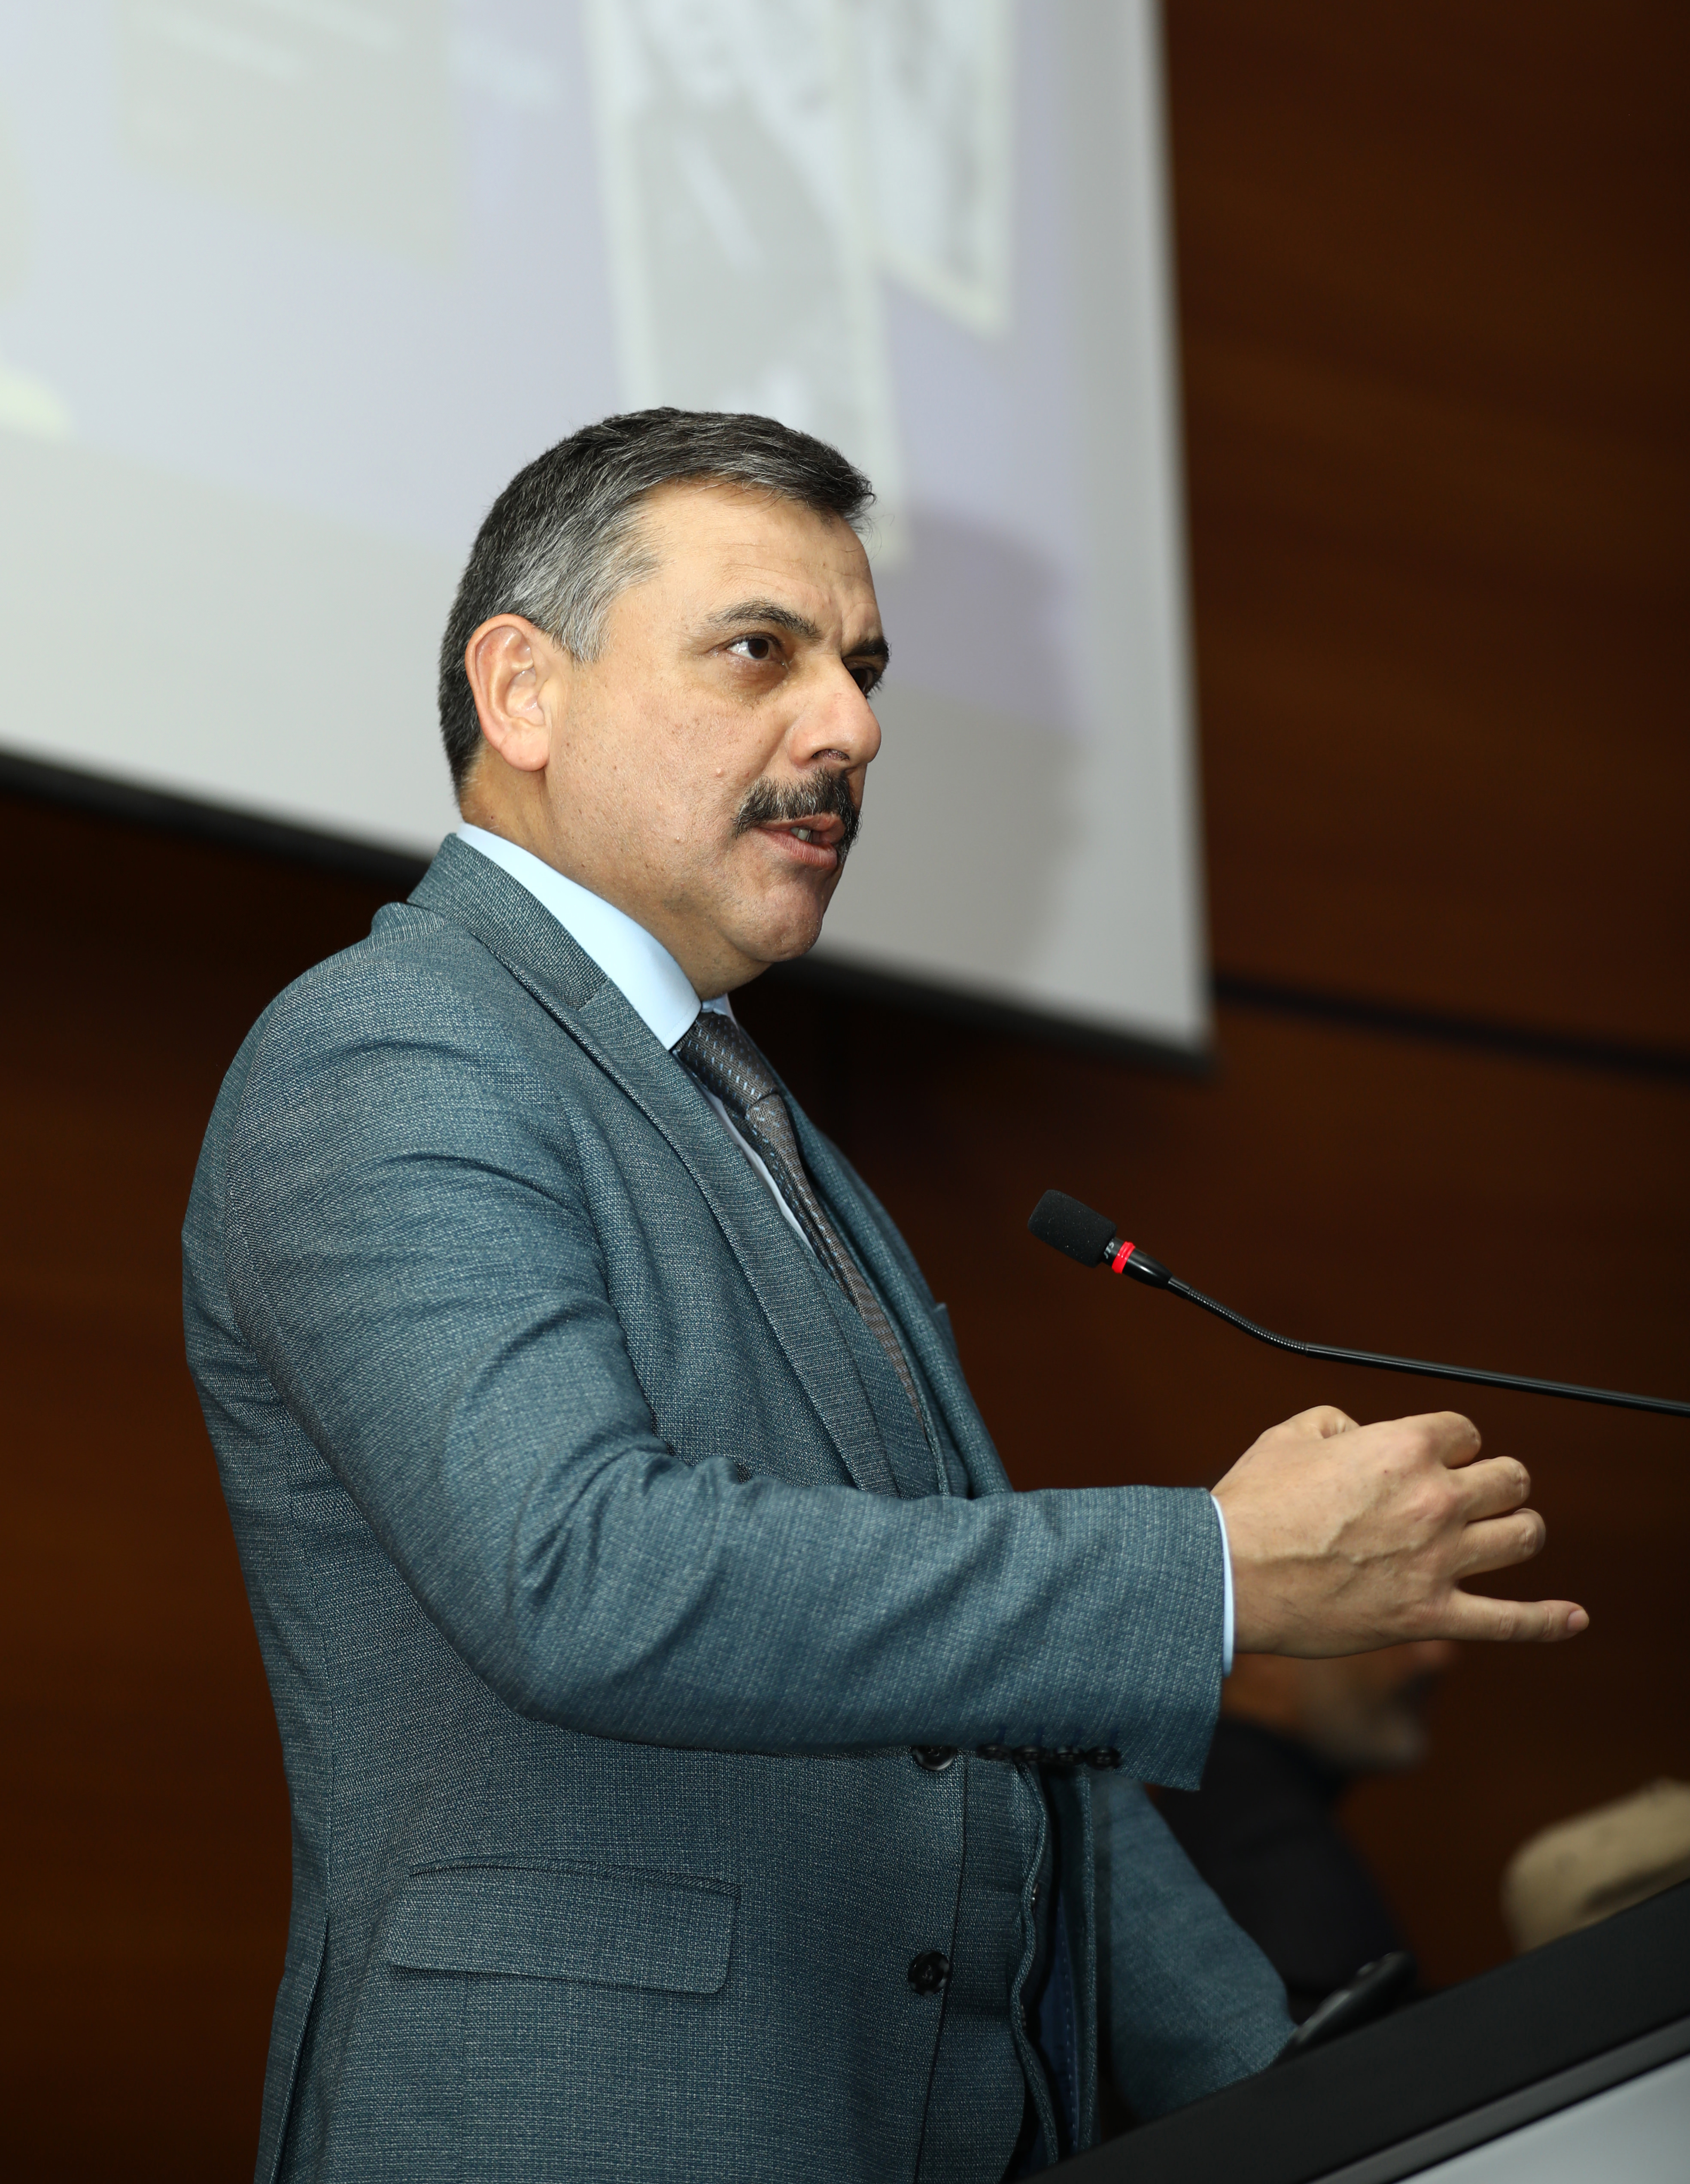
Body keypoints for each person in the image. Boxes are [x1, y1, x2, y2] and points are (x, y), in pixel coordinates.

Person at [182, 409, 1587, 2184]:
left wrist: (1300, 2101)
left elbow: (1007, 1717)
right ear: (522, 691)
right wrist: (1208, 1571)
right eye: (759, 651)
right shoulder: (391, 1046)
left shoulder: (755, 1117)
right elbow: (580, 1571)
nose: (848, 727)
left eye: (860, 668)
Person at [1156, 1642, 1456, 2020]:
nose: (1436, 1655)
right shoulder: (1267, 1851)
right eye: (1390, 1623)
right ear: (1262, 1649)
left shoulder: (1221, 1810)